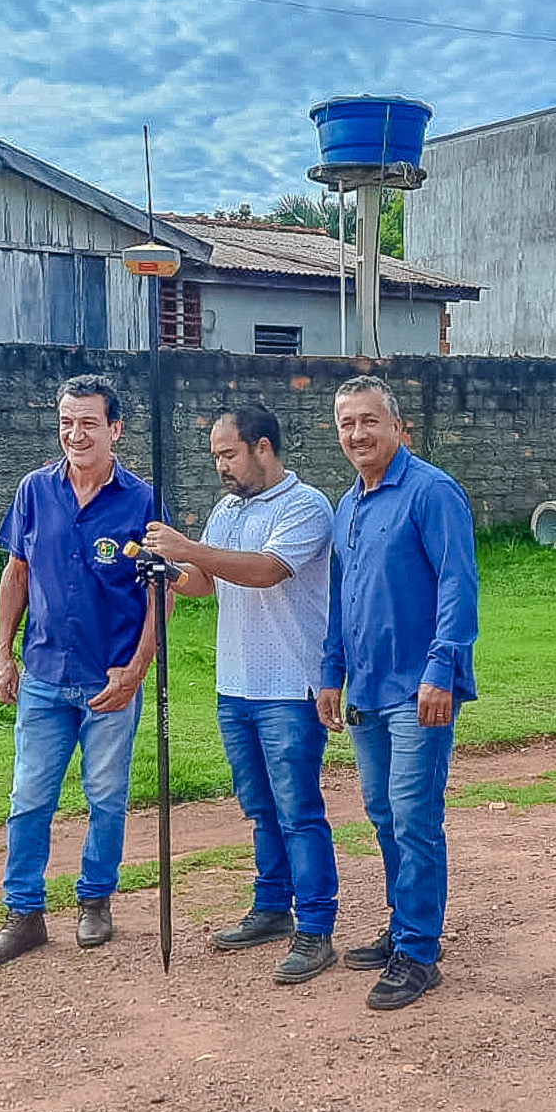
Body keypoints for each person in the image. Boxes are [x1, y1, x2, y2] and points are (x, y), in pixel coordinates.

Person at [142, 405, 341, 986]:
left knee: (298, 811)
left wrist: (188, 548)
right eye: (215, 457)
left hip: (288, 686)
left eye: (228, 454)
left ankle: (316, 927)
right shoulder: (228, 510)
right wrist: (167, 568)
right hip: (236, 684)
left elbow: (263, 571)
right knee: (259, 809)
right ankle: (273, 906)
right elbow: (206, 582)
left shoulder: (306, 505)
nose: (221, 467)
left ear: (262, 448)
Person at [0, 375, 162, 969]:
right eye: (66, 423)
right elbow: (16, 575)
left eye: (87, 423)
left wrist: (136, 670)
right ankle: (23, 914)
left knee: (106, 798)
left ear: (115, 429)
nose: (75, 434)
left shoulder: (142, 500)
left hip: (111, 680)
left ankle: (95, 901)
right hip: (45, 675)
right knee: (29, 799)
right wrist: (3, 655)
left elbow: (161, 594)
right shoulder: (34, 490)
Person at [316, 376, 479, 1011]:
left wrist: (443, 670)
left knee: (414, 818)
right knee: (383, 815)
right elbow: (340, 598)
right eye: (346, 424)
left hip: (419, 690)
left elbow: (457, 588)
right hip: (367, 690)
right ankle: (401, 924)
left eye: (369, 422)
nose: (358, 434)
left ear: (397, 427)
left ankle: (418, 951)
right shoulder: (349, 506)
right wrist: (331, 671)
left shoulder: (433, 493)